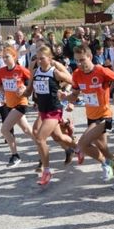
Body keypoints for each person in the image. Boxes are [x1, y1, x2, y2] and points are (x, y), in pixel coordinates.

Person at [62, 45, 114, 190]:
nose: (80, 64)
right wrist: (66, 97)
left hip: (105, 116)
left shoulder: (101, 71)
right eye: (77, 61)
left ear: (90, 57)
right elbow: (74, 96)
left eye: (82, 60)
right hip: (91, 117)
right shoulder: (76, 74)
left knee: (82, 145)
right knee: (104, 149)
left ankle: (106, 163)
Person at [22, 46, 76, 186]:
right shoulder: (35, 71)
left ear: (50, 58)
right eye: (37, 58)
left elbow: (75, 83)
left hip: (54, 110)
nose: (39, 61)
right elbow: (29, 91)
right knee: (58, 137)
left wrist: (69, 97)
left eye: (42, 58)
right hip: (43, 110)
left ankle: (47, 170)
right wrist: (20, 93)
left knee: (39, 138)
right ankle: (77, 147)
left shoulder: (55, 72)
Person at [0, 46, 35, 167]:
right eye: (3, 57)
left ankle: (15, 155)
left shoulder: (21, 70)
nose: (5, 59)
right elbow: (0, 86)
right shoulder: (1, 71)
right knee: (27, 130)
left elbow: (31, 85)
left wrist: (24, 89)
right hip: (9, 104)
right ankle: (42, 144)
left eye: (7, 57)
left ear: (14, 56)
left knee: (4, 130)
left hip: (21, 103)